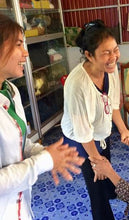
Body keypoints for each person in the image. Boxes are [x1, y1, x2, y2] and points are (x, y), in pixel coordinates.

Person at [0, 14, 85, 220]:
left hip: (19, 207)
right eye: (18, 44)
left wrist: (45, 151)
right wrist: (44, 161)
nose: (26, 53)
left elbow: (19, 143)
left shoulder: (9, 90)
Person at [60, 19, 129, 220]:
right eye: (106, 53)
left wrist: (124, 130)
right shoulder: (77, 84)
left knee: (106, 165)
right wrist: (95, 160)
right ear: (89, 55)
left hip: (101, 130)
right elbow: (83, 133)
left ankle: (110, 190)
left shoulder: (111, 68)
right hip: (80, 139)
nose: (113, 57)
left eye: (115, 50)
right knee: (95, 183)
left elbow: (114, 106)